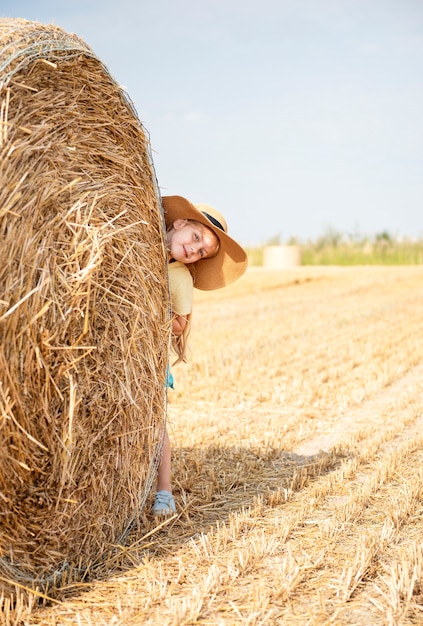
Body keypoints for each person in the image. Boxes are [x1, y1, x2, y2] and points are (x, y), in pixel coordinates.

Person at [152, 195, 248, 516]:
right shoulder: (140, 242)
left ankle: (164, 490)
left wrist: (149, 312)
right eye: (195, 239)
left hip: (146, 356)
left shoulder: (179, 275)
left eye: (201, 251)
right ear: (179, 223)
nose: (194, 250)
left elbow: (180, 325)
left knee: (154, 421)